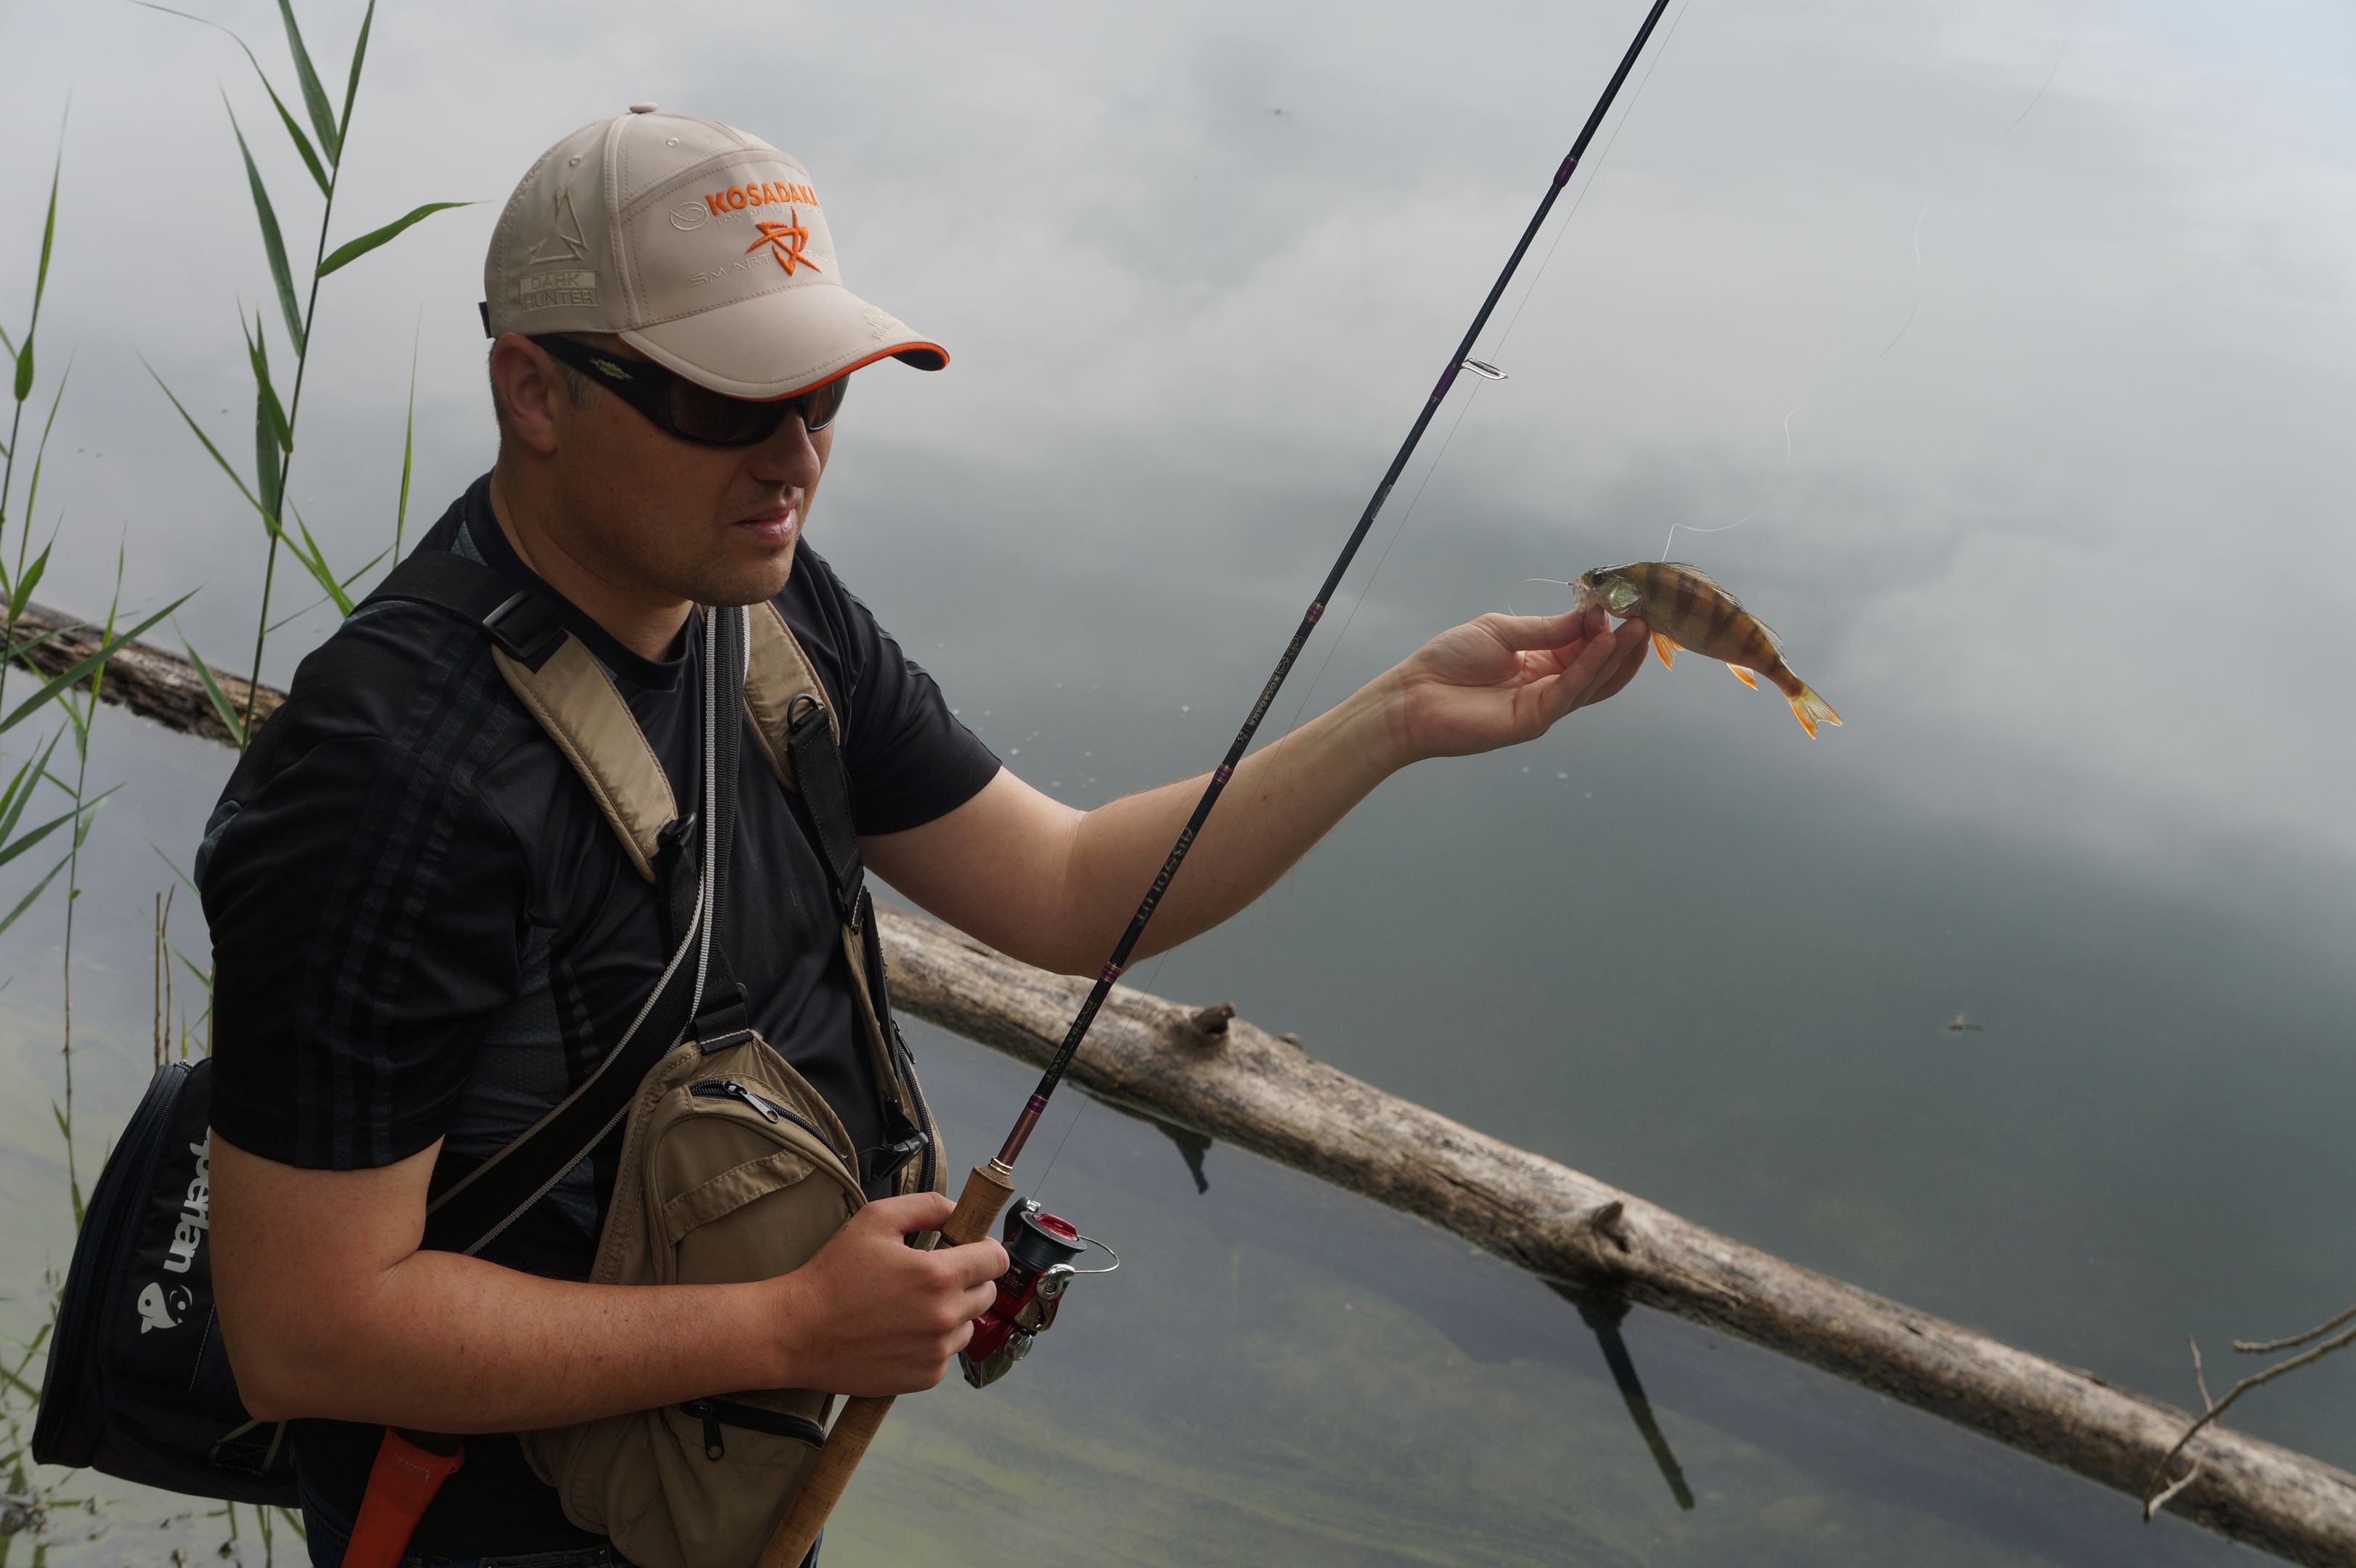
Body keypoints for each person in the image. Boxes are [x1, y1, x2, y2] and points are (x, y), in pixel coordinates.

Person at [199, 105, 1649, 1567]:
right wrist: (786, 1323)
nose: (792, 459)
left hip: (729, 1495)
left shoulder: (760, 606)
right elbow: (306, 1336)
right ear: (535, 391)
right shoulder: (388, 783)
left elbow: (1072, 891)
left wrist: (1395, 717)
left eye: (824, 397)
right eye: (730, 403)